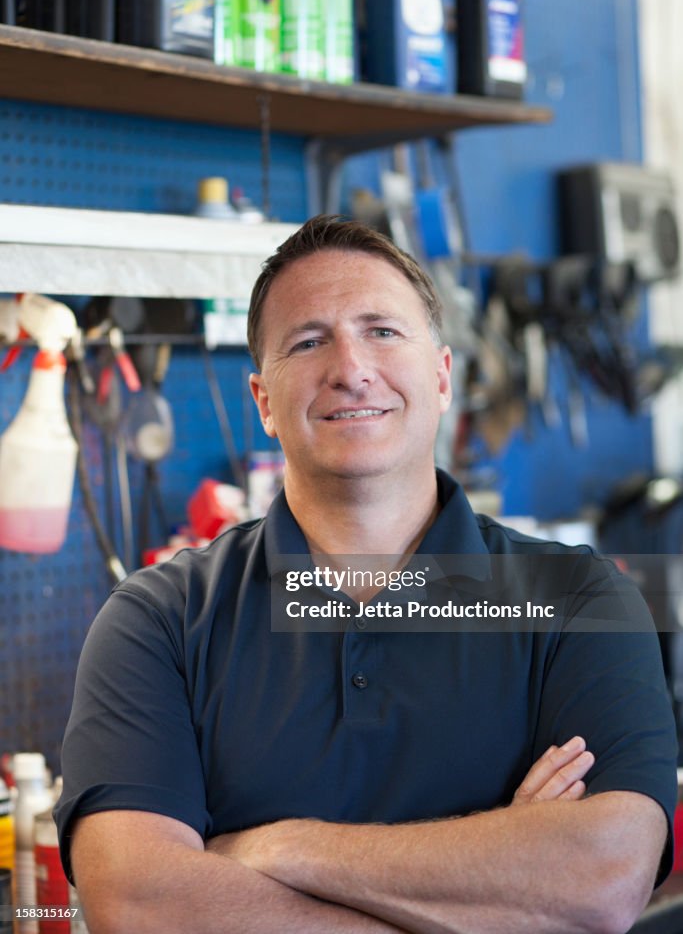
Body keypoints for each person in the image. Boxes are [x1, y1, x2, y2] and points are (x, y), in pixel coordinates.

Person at [56, 215, 678, 934]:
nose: (350, 368)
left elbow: (599, 880)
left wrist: (277, 848)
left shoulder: (580, 602)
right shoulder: (158, 620)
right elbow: (137, 904)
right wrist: (497, 885)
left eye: (382, 330)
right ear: (263, 401)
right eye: (308, 340)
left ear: (442, 376)